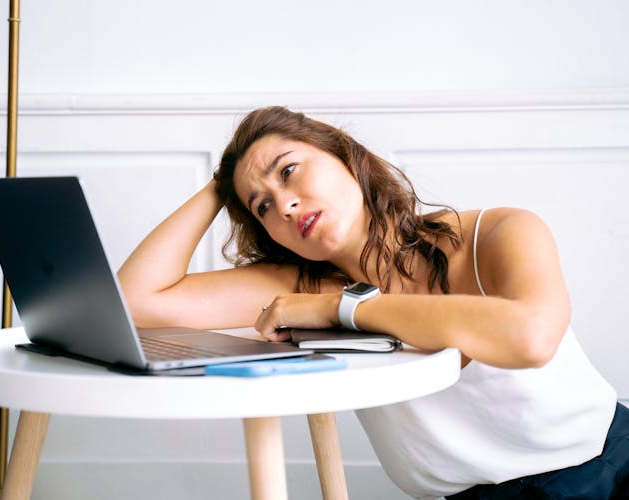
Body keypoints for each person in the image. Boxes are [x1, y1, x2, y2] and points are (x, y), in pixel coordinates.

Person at [118, 106, 628, 499]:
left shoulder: (495, 233)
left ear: (344, 155)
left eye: (290, 170)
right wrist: (227, 178)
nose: (286, 203)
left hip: (609, 462)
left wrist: (344, 310)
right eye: (263, 206)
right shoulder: (299, 285)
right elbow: (136, 300)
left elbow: (530, 337)